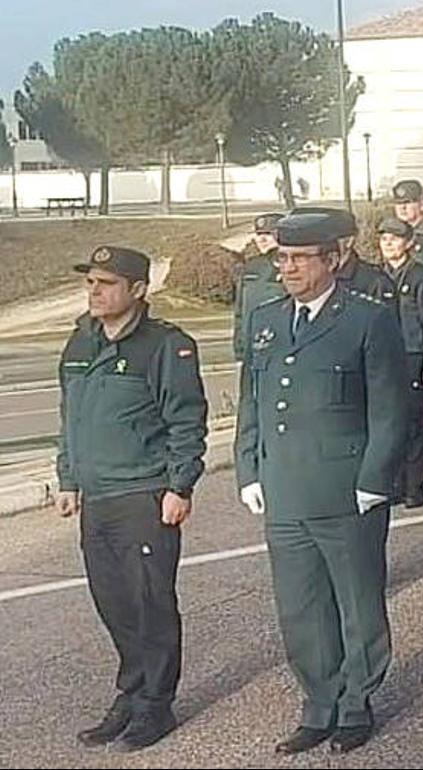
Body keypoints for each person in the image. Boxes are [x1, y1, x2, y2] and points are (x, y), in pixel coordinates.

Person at [234, 211, 408, 755]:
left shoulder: (366, 319)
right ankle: (318, 702)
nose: (287, 267)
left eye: (300, 258)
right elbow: (252, 402)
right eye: (281, 258)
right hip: (284, 486)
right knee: (301, 604)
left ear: (332, 260)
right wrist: (248, 468)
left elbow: (390, 408)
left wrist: (375, 479)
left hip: (344, 486)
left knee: (356, 601)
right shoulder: (264, 319)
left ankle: (356, 702)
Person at [57, 246, 207, 751]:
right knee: (114, 603)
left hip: (144, 494)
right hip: (97, 496)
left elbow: (186, 420)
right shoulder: (81, 341)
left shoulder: (165, 345)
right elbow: (70, 417)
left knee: (150, 603)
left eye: (107, 283)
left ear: (139, 290)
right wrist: (69, 479)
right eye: (91, 282)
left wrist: (179, 485)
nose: (95, 291)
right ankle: (132, 690)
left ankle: (156, 704)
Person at [377, 217, 423, 508]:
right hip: (385, 355)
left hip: (412, 354)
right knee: (390, 421)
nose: (388, 243)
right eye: (384, 238)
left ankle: (415, 485)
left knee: (414, 423)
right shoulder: (378, 277)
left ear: (409, 243)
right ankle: (396, 482)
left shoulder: (421, 277)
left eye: (395, 238)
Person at [233, 213, 287, 362]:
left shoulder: (293, 267)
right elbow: (240, 312)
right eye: (258, 234)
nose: (262, 239)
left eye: (268, 234)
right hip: (252, 350)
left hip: (281, 350)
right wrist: (240, 352)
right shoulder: (250, 267)